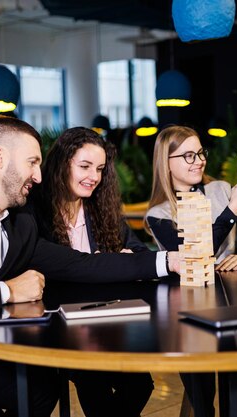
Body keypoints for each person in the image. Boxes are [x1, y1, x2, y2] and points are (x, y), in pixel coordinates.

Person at [0, 115, 179, 417]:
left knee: (41, 392)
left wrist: (167, 260)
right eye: (32, 162)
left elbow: (78, 264)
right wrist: (6, 291)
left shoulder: (20, 225)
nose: (39, 176)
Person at [144, 125, 237, 417]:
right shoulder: (159, 214)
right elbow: (193, 255)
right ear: (167, 163)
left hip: (236, 296)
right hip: (192, 304)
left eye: (200, 153)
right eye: (188, 156)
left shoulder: (221, 190)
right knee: (201, 382)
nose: (199, 161)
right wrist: (232, 210)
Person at [28, 126, 153, 416]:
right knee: (92, 380)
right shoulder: (35, 212)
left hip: (105, 321)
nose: (94, 177)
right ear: (61, 164)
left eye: (99, 169)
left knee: (140, 384)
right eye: (84, 166)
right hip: (57, 326)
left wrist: (126, 256)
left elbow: (141, 254)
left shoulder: (100, 209)